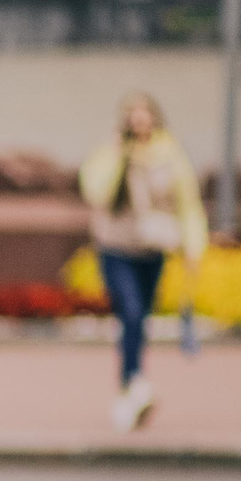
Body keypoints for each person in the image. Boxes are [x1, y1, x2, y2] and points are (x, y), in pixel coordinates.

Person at [78, 92, 207, 432]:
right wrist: (120, 154)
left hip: (153, 249)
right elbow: (94, 191)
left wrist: (193, 246)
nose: (140, 123)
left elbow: (188, 203)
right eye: (133, 117)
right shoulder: (111, 152)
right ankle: (133, 381)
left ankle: (130, 385)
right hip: (117, 248)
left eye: (144, 115)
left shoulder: (170, 154)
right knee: (131, 312)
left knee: (140, 319)